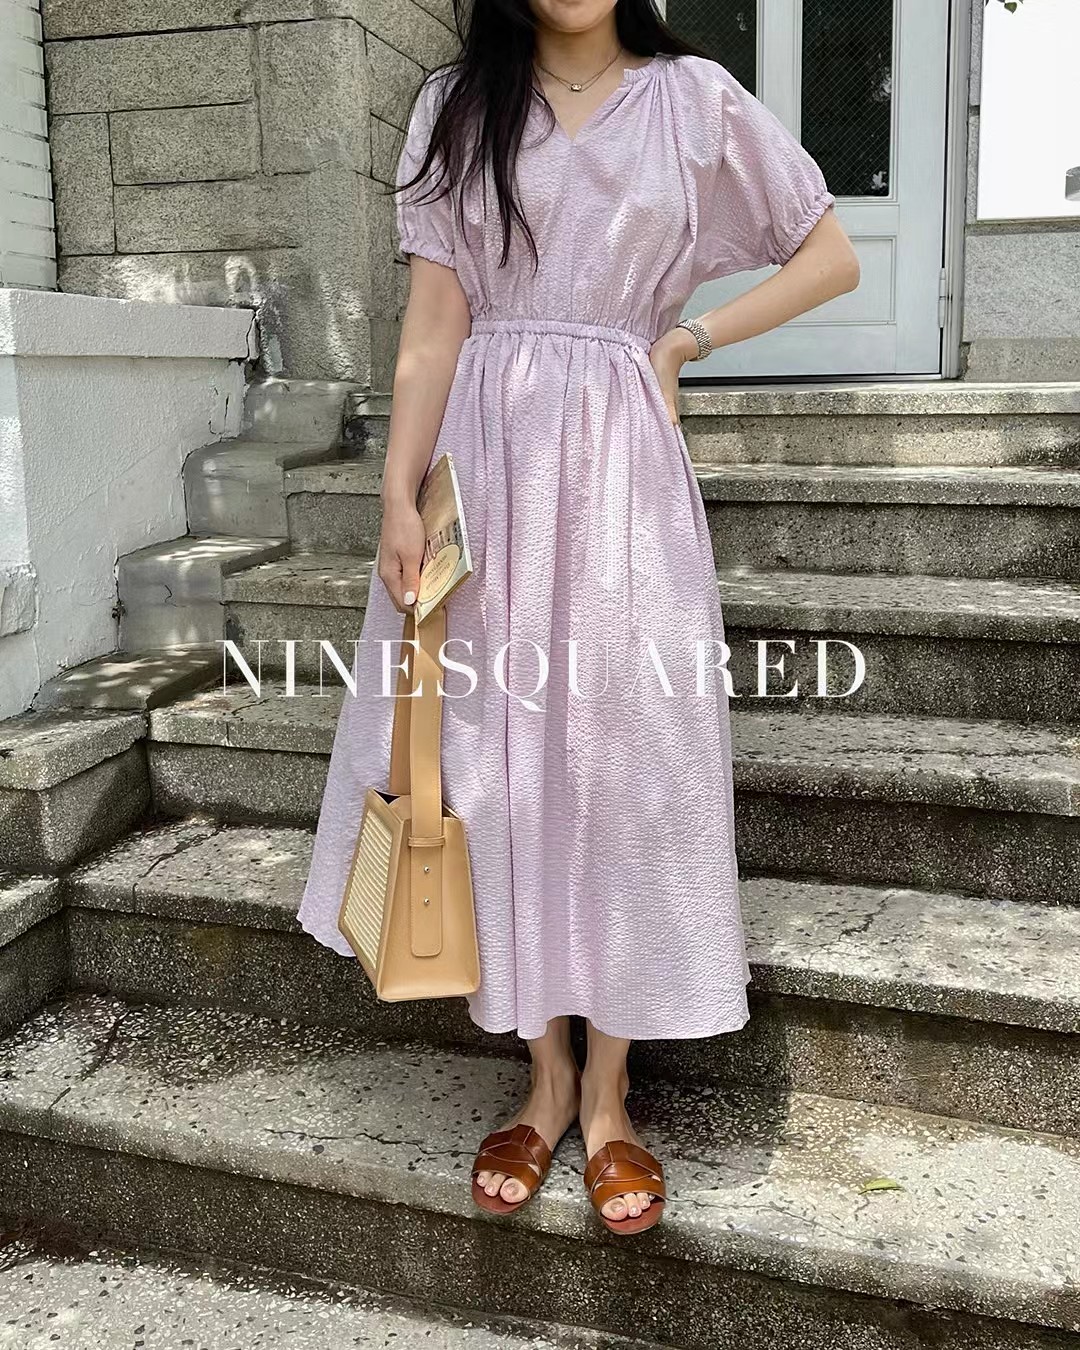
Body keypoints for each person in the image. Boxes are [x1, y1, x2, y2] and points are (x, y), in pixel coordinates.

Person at [297, 0, 860, 1236]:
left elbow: (830, 254)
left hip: (620, 467)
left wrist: (684, 340)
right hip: (486, 468)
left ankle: (610, 1094)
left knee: (622, 765)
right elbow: (434, 323)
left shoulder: (695, 99)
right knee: (497, 766)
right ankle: (544, 1078)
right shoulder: (458, 106)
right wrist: (396, 494)